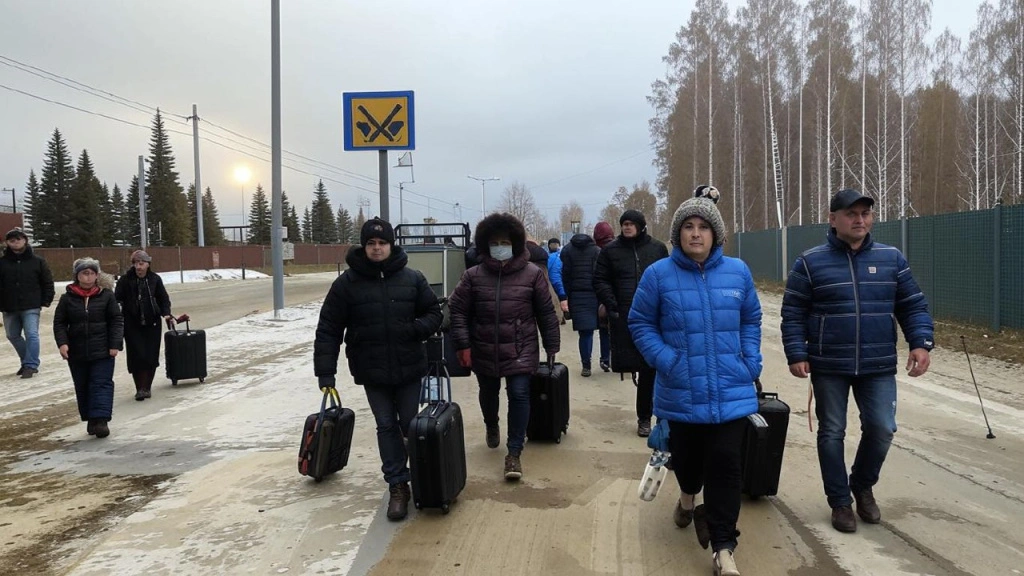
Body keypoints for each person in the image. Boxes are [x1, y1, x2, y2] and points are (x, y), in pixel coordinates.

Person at [781, 188, 934, 534]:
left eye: (865, 213)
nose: (860, 219)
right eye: (851, 214)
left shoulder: (892, 258)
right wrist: (796, 352)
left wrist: (921, 343)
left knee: (882, 428)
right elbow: (793, 313)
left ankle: (862, 485)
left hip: (877, 364)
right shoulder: (809, 261)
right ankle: (839, 502)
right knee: (832, 431)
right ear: (833, 219)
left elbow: (913, 305)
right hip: (828, 364)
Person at [629, 195, 761, 576]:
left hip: (730, 390)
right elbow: (640, 323)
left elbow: (751, 318)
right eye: (689, 226)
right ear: (678, 234)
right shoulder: (658, 275)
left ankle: (723, 548)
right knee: (687, 464)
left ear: (715, 234)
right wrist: (667, 359)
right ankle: (688, 497)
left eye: (703, 227)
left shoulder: (737, 272)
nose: (696, 233)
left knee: (725, 465)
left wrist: (750, 359)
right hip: (680, 391)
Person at [314, 218, 443, 521]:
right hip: (371, 370)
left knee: (410, 425)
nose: (376, 248)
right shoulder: (347, 284)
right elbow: (328, 329)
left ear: (390, 245)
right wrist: (325, 372)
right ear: (364, 246)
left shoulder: (412, 278)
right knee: (386, 426)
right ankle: (398, 486)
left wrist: (415, 329)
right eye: (371, 243)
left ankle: (422, 477)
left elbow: (435, 313)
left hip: (410, 367)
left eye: (382, 243)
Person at [449, 213, 560, 481]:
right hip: (484, 347)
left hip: (521, 349)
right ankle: (491, 423)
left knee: (520, 395)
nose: (500, 246)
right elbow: (458, 310)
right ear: (486, 245)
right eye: (495, 241)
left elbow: (546, 312)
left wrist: (551, 344)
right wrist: (463, 343)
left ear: (516, 244)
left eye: (505, 241)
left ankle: (514, 453)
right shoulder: (473, 276)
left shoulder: (533, 274)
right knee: (489, 392)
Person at [593, 209, 669, 437]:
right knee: (641, 366)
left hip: (656, 317)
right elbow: (600, 279)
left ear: (641, 225)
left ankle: (658, 417)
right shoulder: (610, 251)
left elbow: (668, 276)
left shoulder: (657, 248)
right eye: (624, 223)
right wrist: (612, 303)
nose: (627, 227)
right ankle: (644, 417)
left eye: (631, 223)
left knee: (656, 368)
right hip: (625, 315)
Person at [53, 258, 123, 439]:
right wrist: (62, 343)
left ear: (97, 276)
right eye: (85, 273)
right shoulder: (67, 298)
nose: (89, 276)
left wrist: (115, 344)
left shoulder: (106, 296)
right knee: (83, 385)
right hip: (77, 351)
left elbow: (116, 320)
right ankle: (91, 419)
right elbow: (60, 323)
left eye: (92, 273)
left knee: (101, 384)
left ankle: (101, 420)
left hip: (103, 350)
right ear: (77, 276)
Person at [115, 250, 174, 401]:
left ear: (148, 264)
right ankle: (140, 388)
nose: (139, 267)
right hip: (132, 324)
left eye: (141, 263)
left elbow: (163, 299)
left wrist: (166, 313)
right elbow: (116, 300)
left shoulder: (155, 279)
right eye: (136, 263)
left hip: (152, 323)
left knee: (150, 355)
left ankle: (146, 387)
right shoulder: (125, 280)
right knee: (136, 356)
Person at [0, 228, 54, 378]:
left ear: (25, 240)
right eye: (12, 240)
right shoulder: (2, 263)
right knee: (12, 335)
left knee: (31, 334)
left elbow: (47, 281)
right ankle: (26, 361)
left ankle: (31, 365)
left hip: (31, 304)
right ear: (7, 243)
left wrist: (46, 299)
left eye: (18, 239)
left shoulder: (38, 261)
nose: (15, 242)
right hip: (9, 306)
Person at [559, 232, 600, 376]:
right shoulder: (596, 250)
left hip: (576, 294)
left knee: (584, 333)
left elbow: (565, 274)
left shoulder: (567, 250)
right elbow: (599, 273)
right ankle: (605, 359)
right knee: (592, 331)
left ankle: (586, 365)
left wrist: (568, 294)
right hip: (593, 294)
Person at [592, 222, 615, 372]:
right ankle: (615, 358)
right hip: (618, 296)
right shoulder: (619, 249)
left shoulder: (596, 252)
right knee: (617, 329)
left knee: (603, 330)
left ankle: (605, 359)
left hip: (601, 296)